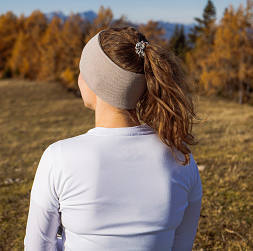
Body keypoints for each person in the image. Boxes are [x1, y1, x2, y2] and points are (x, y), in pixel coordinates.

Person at [24, 25, 203, 251]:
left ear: (95, 82)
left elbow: (37, 247)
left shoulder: (58, 158)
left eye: (83, 71)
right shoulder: (181, 158)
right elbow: (181, 246)